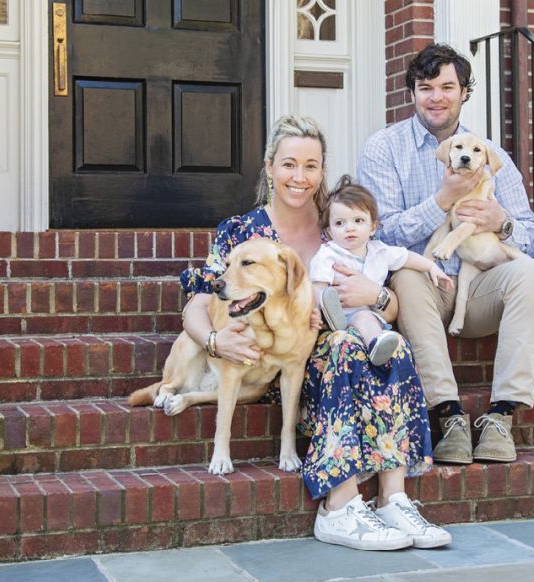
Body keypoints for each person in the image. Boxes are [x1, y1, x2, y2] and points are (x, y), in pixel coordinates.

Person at [180, 114, 451, 551]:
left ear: (322, 171)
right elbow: (197, 301)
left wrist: (375, 297)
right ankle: (339, 506)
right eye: (289, 164)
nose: (299, 177)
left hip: (336, 347)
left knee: (393, 346)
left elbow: (393, 306)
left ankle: (393, 498)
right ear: (270, 167)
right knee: (345, 348)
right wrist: (215, 340)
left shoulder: (342, 220)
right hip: (274, 368)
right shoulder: (242, 232)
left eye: (311, 166)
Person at [357, 43, 534, 465]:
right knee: (405, 275)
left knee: (533, 274)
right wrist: (441, 201)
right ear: (412, 92)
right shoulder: (384, 148)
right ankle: (447, 416)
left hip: (478, 286)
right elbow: (379, 233)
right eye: (426, 87)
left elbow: (533, 237)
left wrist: (502, 222)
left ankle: (501, 415)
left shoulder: (489, 153)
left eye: (448, 86)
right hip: (421, 288)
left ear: (464, 92)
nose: (437, 96)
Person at [310, 175, 454, 367]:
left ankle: (377, 343)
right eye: (339, 223)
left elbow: (407, 257)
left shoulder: (380, 251)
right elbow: (318, 285)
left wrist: (432, 267)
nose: (349, 228)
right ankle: (337, 317)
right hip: (333, 313)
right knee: (335, 300)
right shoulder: (328, 253)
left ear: (373, 227)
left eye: (358, 220)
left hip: (364, 310)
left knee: (366, 318)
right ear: (328, 232)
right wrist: (318, 309)